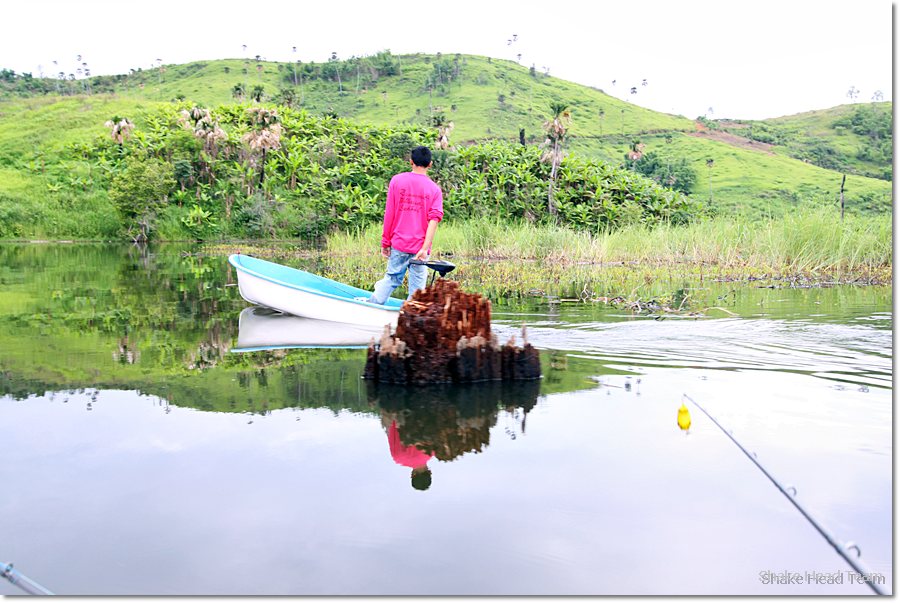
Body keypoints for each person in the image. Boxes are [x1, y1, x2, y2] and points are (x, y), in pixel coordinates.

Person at [367, 146, 444, 305]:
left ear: (411, 162)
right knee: (417, 291)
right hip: (420, 249)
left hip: (399, 243)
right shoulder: (435, 190)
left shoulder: (397, 180)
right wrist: (425, 248)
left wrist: (385, 242)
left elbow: (390, 213)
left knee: (392, 279)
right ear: (430, 164)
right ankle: (411, 319)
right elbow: (434, 221)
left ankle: (371, 307)